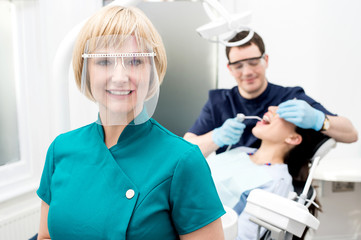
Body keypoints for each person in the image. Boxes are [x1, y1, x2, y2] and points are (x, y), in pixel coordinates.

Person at [37, 5, 225, 240]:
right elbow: (45, 236)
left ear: (153, 71)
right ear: (85, 71)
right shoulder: (60, 149)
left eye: (135, 61)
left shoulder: (183, 161)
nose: (120, 77)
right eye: (104, 61)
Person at [184, 31, 358, 157]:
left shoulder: (290, 97)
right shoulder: (219, 102)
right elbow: (186, 149)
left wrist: (319, 120)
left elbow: (351, 134)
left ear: (265, 60)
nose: (247, 72)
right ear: (229, 69)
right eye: (238, 66)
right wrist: (215, 137)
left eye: (253, 63)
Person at [207, 106, 324, 240]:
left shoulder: (278, 182)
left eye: (283, 113)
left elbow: (244, 237)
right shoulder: (242, 151)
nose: (270, 109)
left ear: (293, 138)